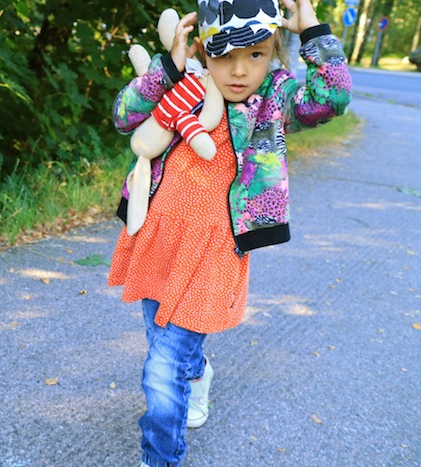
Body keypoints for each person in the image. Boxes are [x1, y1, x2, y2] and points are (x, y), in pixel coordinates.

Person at [108, 0, 352, 465]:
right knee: (162, 341)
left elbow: (333, 98)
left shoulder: (275, 99)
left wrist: (313, 29)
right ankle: (196, 373)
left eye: (256, 55)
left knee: (161, 369)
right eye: (225, 56)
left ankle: (160, 457)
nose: (240, 71)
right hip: (158, 240)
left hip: (215, 253)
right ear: (204, 49)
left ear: (274, 51)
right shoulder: (183, 81)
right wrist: (168, 68)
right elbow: (124, 115)